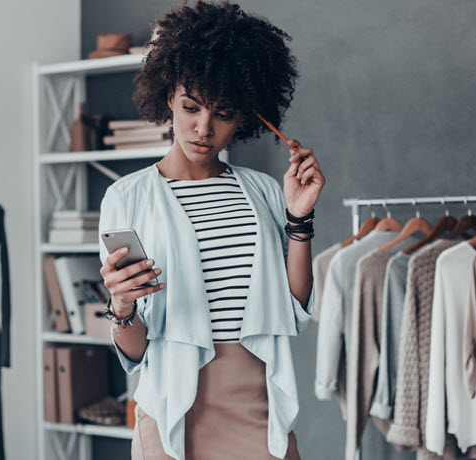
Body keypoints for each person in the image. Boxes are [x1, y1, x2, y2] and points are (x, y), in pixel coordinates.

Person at [97, 2, 324, 459]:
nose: (204, 128)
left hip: (259, 406)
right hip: (172, 412)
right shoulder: (128, 197)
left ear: (244, 115)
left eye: (223, 113)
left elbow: (293, 306)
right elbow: (135, 352)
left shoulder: (262, 191)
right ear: (168, 99)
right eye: (190, 107)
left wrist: (299, 219)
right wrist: (121, 304)